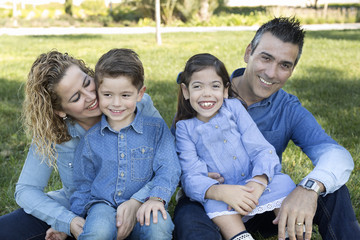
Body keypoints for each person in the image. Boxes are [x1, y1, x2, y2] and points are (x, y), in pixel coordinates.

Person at [173, 17, 359, 240]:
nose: (271, 73)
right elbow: (177, 163)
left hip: (264, 199)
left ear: (292, 70)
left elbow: (336, 155)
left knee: (333, 190)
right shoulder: (205, 95)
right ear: (248, 52)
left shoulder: (288, 109)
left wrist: (309, 188)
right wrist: (212, 187)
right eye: (266, 58)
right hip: (215, 204)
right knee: (189, 219)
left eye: (284, 65)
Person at [0, 50, 162, 240]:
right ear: (60, 110)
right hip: (80, 211)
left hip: (136, 211)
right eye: (76, 97)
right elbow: (26, 189)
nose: (90, 97)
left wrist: (136, 201)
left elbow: (167, 164)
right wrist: (68, 221)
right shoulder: (53, 130)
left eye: (87, 83)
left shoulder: (136, 104)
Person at [174, 53, 296, 240]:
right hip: (224, 195)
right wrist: (220, 192)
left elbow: (261, 149)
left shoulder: (235, 109)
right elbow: (191, 175)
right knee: (212, 204)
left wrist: (258, 182)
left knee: (284, 183)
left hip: (253, 184)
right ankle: (240, 236)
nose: (207, 93)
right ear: (186, 91)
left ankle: (290, 233)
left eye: (215, 86)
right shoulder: (184, 128)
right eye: (197, 87)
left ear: (225, 90)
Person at [69, 48, 181, 240]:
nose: (116, 103)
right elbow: (83, 184)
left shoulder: (155, 129)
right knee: (98, 231)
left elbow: (169, 167)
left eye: (125, 95)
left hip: (146, 203)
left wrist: (156, 198)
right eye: (108, 95)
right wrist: (73, 218)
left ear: (140, 94)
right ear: (98, 92)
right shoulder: (91, 139)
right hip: (102, 205)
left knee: (159, 227)